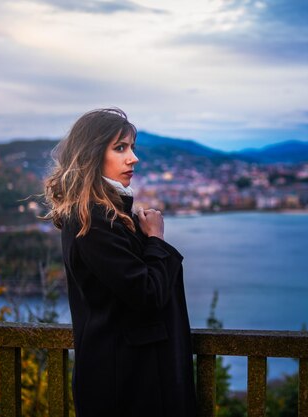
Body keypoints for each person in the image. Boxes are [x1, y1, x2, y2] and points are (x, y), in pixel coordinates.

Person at [43, 108, 197, 416]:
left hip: (129, 375)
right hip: (126, 384)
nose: (133, 158)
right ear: (92, 154)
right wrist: (155, 239)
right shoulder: (93, 219)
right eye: (120, 148)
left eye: (132, 148)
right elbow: (147, 293)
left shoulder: (105, 214)